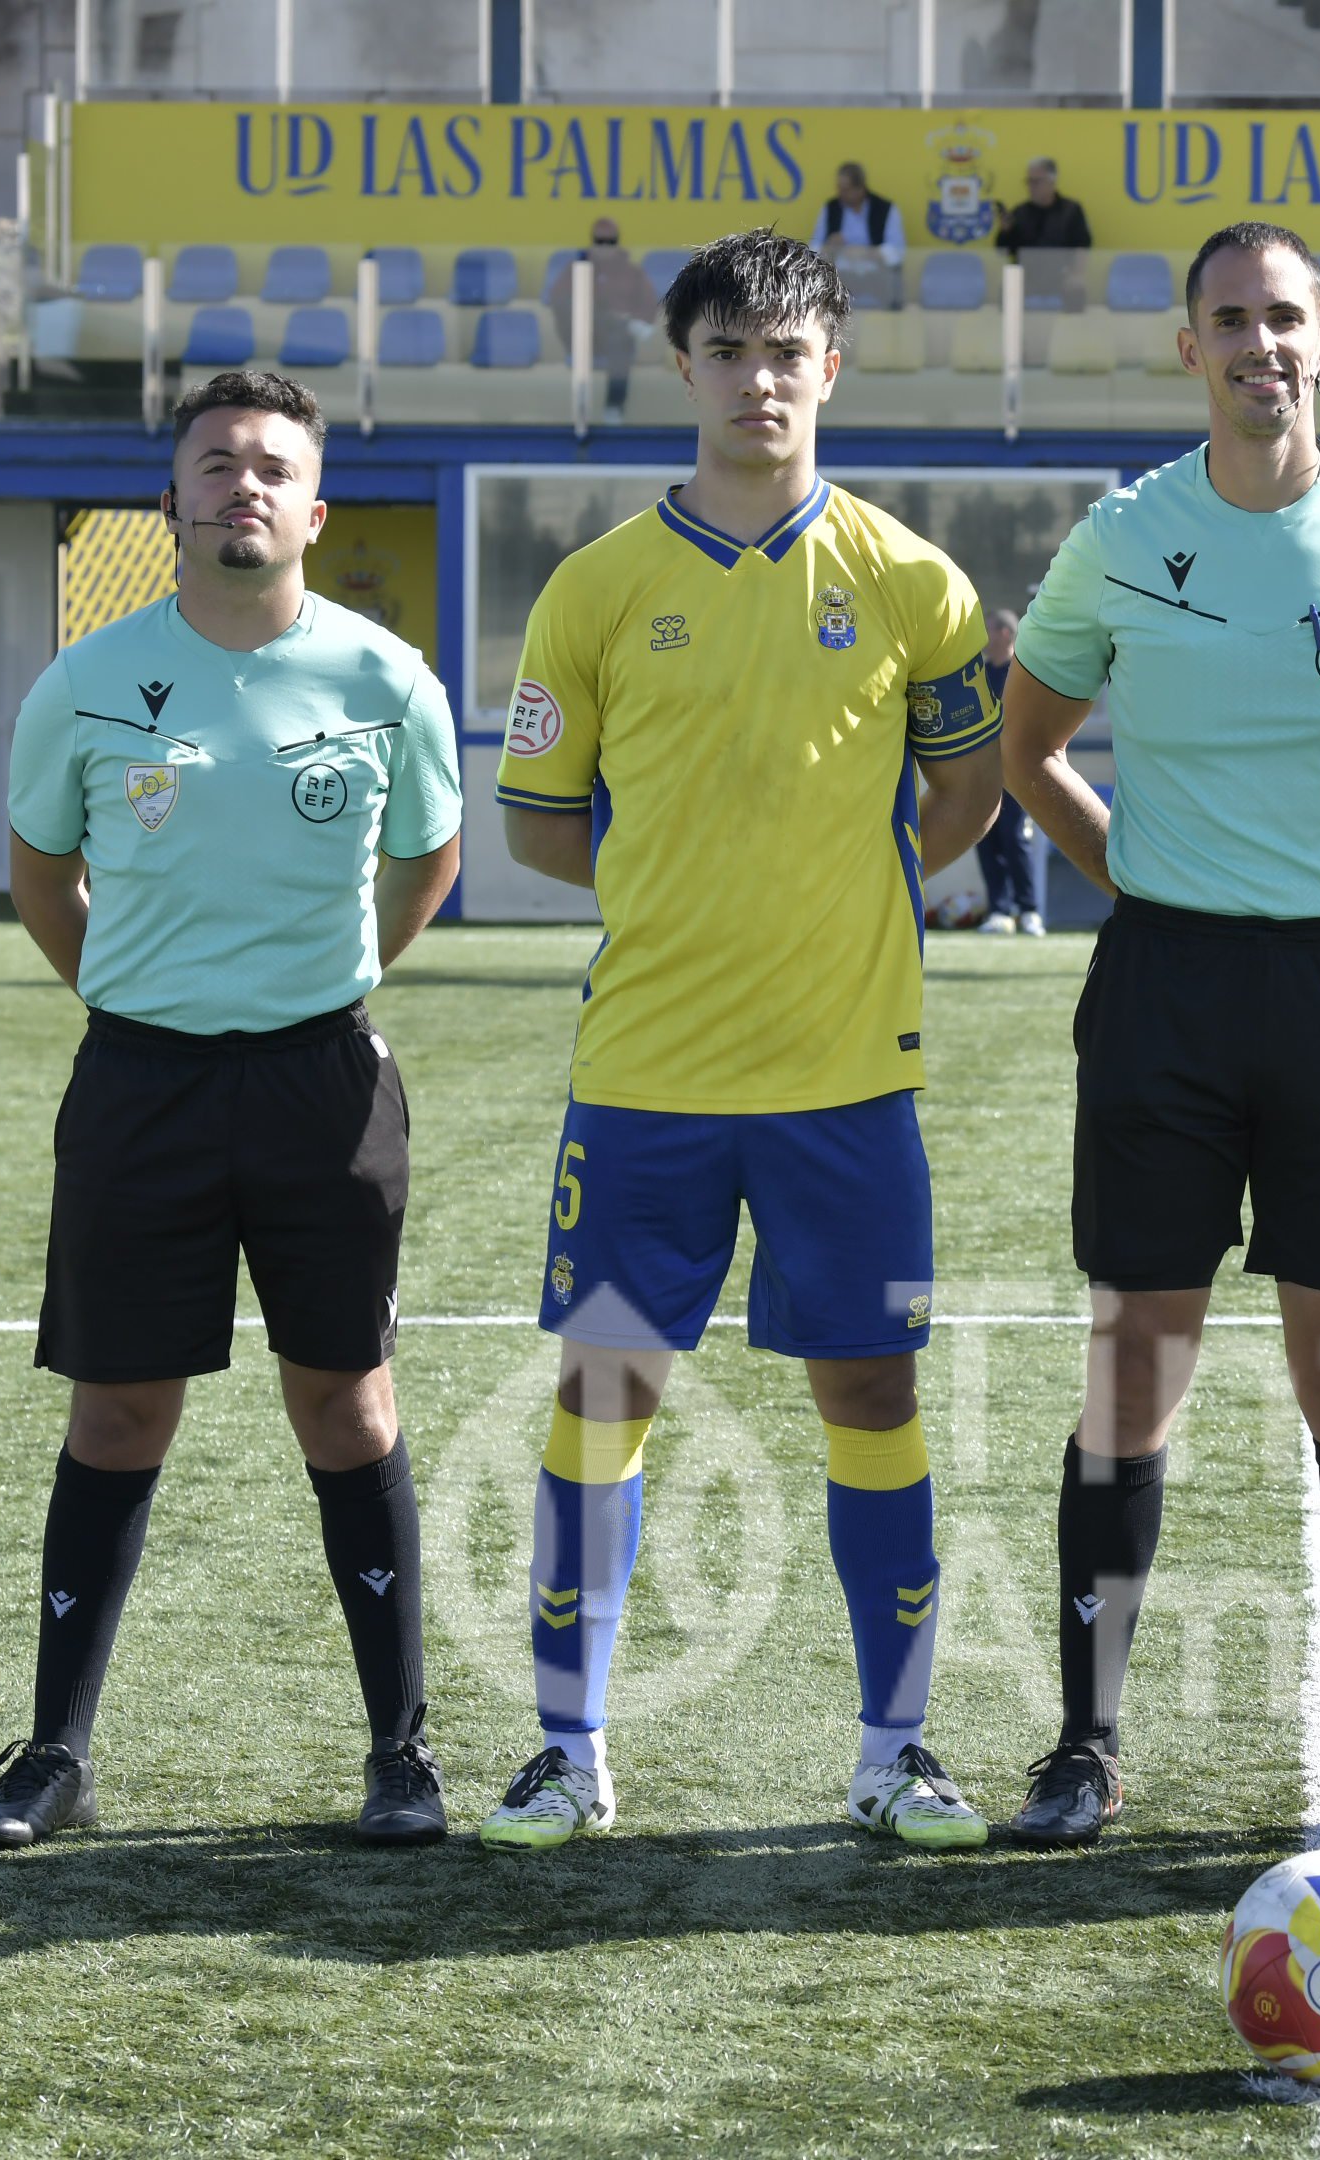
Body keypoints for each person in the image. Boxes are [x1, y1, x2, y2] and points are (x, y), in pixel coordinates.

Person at [483, 230, 1004, 1857]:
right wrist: (682, 890)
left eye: (789, 354)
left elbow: (969, 794)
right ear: (685, 367)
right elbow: (540, 827)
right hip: (645, 1081)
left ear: (829, 368)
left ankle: (893, 1750)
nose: (759, 381)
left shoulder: (915, 582)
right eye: (730, 351)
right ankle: (571, 1755)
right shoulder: (596, 588)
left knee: (870, 1386)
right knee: (605, 1391)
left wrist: (855, 892)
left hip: (849, 1080)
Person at [996, 220, 1320, 1851]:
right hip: (1164, 990)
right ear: (1190, 347)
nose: (1259, 345)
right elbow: (1032, 752)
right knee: (1134, 1361)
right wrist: (1147, 886)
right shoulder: (1126, 536)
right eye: (1231, 320)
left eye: (1285, 318)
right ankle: (1084, 1746)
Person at [0, 368, 467, 1852]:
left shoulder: (387, 680)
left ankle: (401, 1752)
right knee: (119, 1410)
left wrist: (327, 983)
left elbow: (427, 864)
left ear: (316, 508)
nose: (242, 484)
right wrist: (134, 995)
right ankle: (52, 1755)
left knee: (347, 1403)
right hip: (139, 1086)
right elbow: (40, 875)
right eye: (215, 462)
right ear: (170, 498)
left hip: (323, 1084)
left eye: (271, 467)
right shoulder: (87, 683)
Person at [970, 607, 1045, 933]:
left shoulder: (1022, 673)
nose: (983, 638)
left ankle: (1028, 911)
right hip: (983, 774)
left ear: (1004, 633)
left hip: (1014, 773)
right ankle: (998, 911)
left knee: (1015, 838)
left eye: (989, 630)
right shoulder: (980, 674)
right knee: (984, 838)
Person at [579, 217, 661, 423]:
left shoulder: (631, 272)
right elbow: (565, 302)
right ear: (592, 242)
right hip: (586, 334)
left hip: (617, 338)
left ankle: (614, 407)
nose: (605, 247)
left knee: (619, 342)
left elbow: (649, 302)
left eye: (611, 241)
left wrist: (636, 319)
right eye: (600, 241)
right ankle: (627, 325)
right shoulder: (580, 269)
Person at [995, 156, 1093, 309]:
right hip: (1027, 278)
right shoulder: (1020, 212)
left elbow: (1082, 246)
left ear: (1052, 182)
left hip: (1060, 277)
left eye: (1036, 181)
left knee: (1076, 292)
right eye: (1029, 181)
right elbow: (1004, 251)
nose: (1031, 186)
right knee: (1005, 292)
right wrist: (1005, 231)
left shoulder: (1071, 211)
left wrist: (1076, 275)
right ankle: (1012, 332)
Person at [814, 162, 904, 307]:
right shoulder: (830, 208)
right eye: (839, 188)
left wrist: (866, 253)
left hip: (876, 279)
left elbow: (897, 252)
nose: (840, 194)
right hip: (839, 280)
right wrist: (829, 246)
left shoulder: (886, 209)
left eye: (846, 189)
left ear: (860, 188)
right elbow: (814, 250)